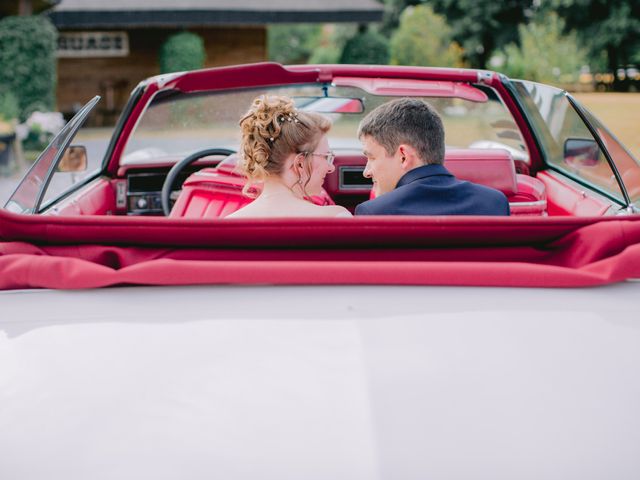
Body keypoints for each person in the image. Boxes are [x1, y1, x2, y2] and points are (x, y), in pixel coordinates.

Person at [355, 98, 510, 216]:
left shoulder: (374, 212)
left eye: (372, 158)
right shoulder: (495, 202)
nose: (366, 172)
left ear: (403, 156)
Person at [226, 95, 352, 218]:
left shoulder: (229, 224)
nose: (331, 168)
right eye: (326, 157)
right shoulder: (336, 217)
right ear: (300, 163)